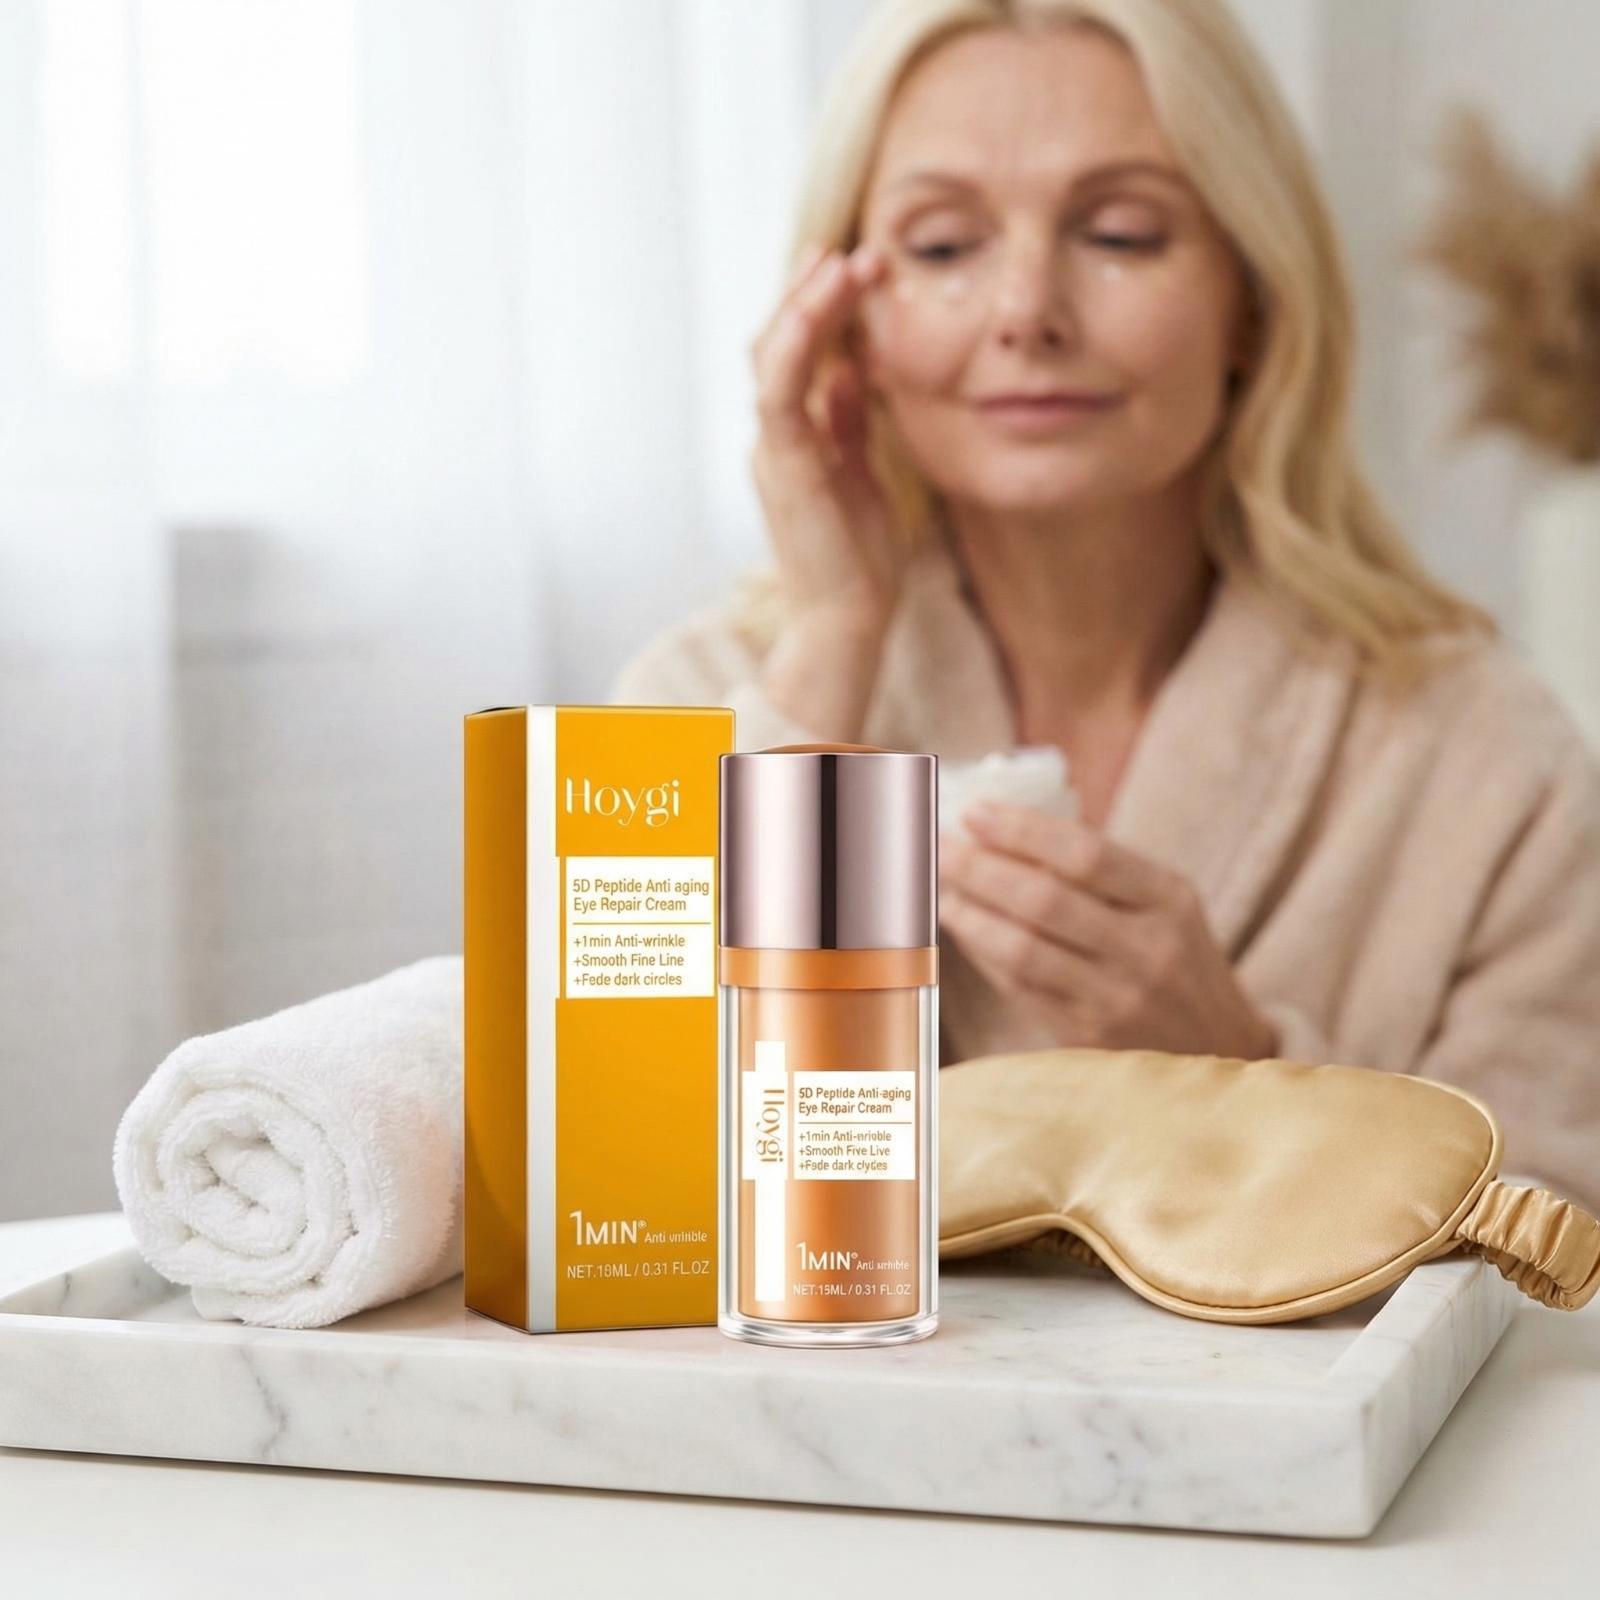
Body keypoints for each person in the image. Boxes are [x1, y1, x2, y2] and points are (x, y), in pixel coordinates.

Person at [610, 0, 1600, 1210]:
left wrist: (1242, 1076)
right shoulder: (695, 706)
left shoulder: (1484, 759)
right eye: (941, 247)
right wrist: (828, 650)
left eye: (1122, 233)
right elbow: (621, 1165)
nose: (1026, 309)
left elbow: (1554, 1257)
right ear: (844, 321)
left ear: (1252, 302)